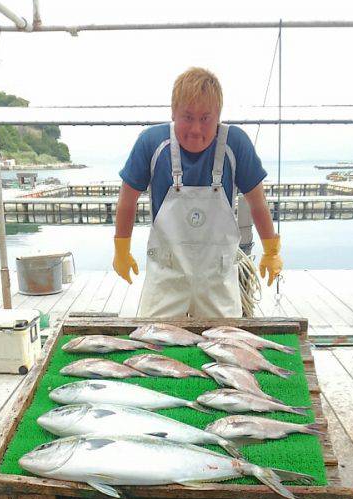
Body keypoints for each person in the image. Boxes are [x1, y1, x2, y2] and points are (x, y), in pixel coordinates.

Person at [113, 67, 282, 318]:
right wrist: (121, 250)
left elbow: (257, 203)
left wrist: (271, 250)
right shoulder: (151, 142)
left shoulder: (236, 144)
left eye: (205, 118)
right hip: (166, 277)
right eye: (187, 117)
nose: (195, 129)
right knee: (154, 346)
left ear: (219, 116)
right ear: (173, 112)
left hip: (218, 278)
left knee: (228, 346)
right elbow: (127, 201)